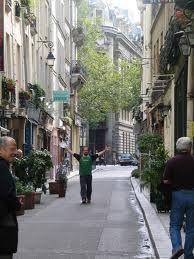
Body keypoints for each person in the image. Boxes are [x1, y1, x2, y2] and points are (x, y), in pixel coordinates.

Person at [163, 137, 194, 259]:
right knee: (192, 227)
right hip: (193, 195)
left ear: (178, 147)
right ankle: (188, 255)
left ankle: (177, 247)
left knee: (175, 225)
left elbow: (165, 180)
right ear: (190, 148)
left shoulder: (172, 161)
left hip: (177, 196)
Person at [0, 136, 22, 259]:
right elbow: (7, 194)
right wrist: (17, 205)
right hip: (3, 225)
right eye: (11, 149)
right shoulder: (2, 167)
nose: (14, 152)